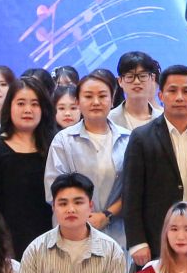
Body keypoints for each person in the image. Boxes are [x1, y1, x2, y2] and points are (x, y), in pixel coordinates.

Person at [123, 65, 187, 268]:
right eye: (172, 91)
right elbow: (131, 193)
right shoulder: (141, 138)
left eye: (186, 91)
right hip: (155, 240)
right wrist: (137, 241)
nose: (179, 97)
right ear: (161, 95)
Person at [0, 71, 56, 259]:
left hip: (49, 245)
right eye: (20, 103)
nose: (28, 110)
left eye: (35, 104)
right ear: (9, 107)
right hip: (5, 249)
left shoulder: (55, 148)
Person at [45, 70, 131, 244]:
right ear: (78, 101)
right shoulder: (63, 140)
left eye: (102, 96)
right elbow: (53, 189)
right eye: (88, 96)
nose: (96, 102)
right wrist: (82, 215)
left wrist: (106, 215)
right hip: (72, 233)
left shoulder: (128, 139)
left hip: (117, 235)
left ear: (112, 100)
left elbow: (133, 189)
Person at [109, 50, 161, 133]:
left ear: (152, 78)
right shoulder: (108, 120)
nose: (137, 81)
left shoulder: (165, 119)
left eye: (142, 76)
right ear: (120, 81)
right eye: (130, 76)